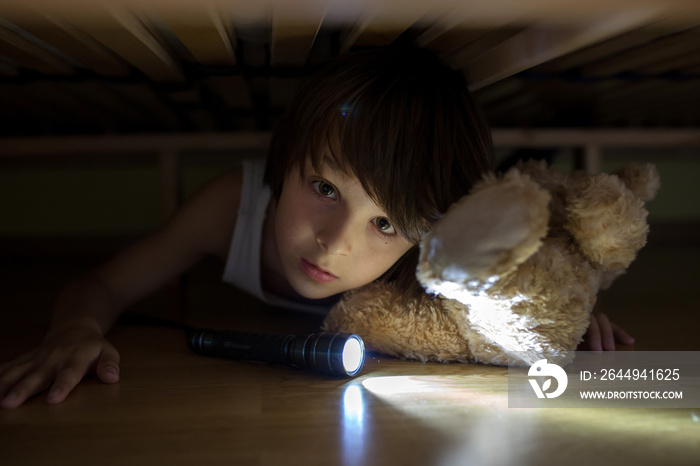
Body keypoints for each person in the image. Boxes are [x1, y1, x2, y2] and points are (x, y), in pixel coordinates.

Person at [0, 46, 630, 410]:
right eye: (324, 188)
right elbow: (103, 285)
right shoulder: (233, 206)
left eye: (385, 223)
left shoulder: (435, 258)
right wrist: (76, 328)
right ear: (286, 157)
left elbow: (524, 293)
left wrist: (572, 320)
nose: (336, 241)